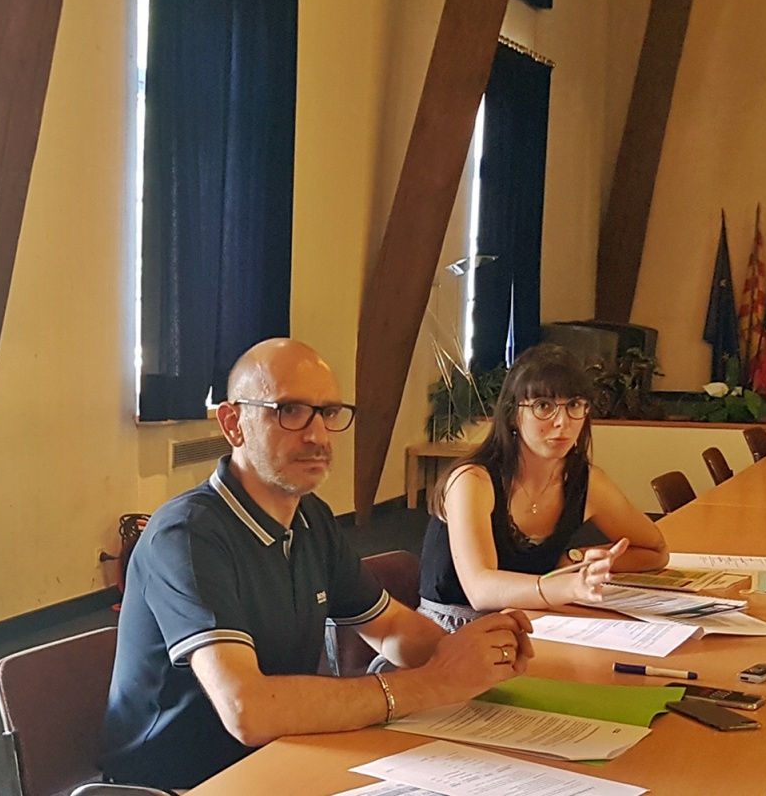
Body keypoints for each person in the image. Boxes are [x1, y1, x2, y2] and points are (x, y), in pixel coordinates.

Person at [100, 338, 535, 791]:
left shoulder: (310, 517)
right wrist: (431, 684)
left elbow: (390, 627)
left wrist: (472, 659)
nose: (317, 436)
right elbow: (248, 710)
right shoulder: (187, 535)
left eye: (328, 412)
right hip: (183, 783)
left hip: (285, 755)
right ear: (233, 423)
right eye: (289, 411)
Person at [418, 344, 669, 630]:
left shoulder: (587, 481)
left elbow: (656, 551)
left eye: (574, 405)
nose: (562, 422)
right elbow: (480, 590)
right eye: (543, 406)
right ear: (513, 414)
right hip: (454, 630)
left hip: (534, 619)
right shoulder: (472, 481)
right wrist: (570, 586)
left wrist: (574, 560)